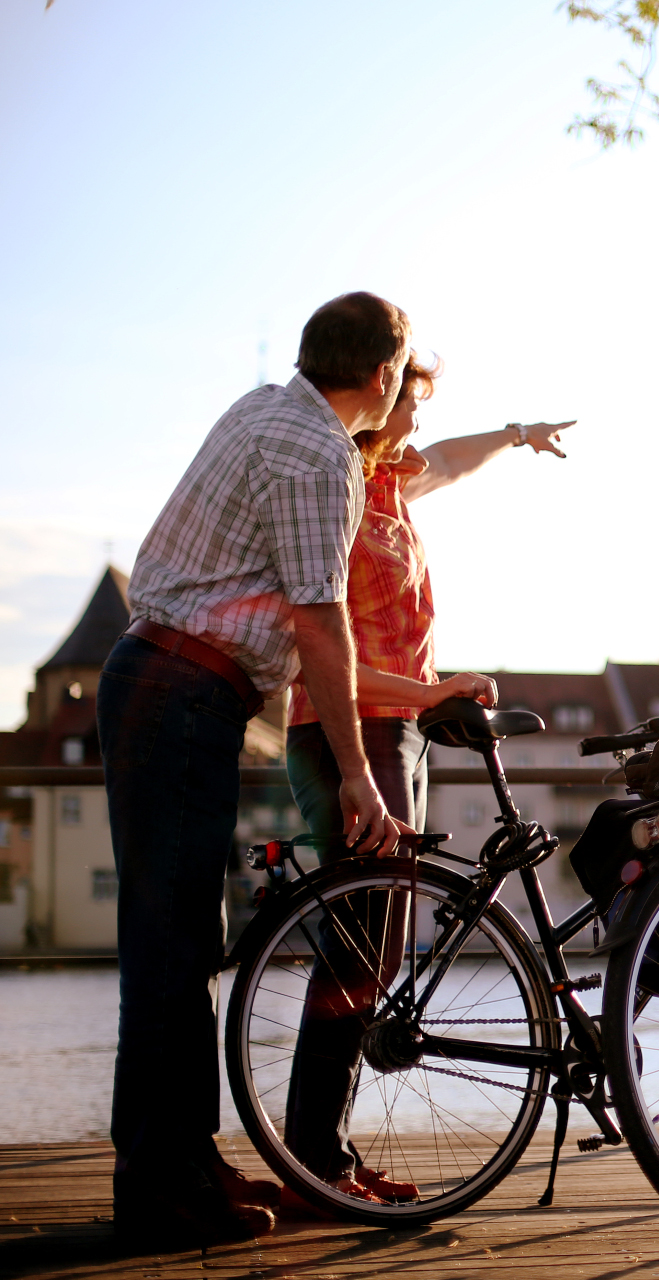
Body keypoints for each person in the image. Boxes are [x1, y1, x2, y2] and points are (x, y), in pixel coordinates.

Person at [99, 292, 412, 1247]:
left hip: (166, 679)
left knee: (183, 936)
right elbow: (320, 620)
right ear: (381, 373)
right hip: (182, 688)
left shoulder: (261, 408)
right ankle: (158, 1186)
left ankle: (182, 1162)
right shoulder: (321, 451)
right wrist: (358, 773)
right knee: (170, 945)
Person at [278, 353, 574, 1208]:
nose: (416, 424)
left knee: (375, 942)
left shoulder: (396, 484)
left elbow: (451, 456)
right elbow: (319, 654)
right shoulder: (334, 490)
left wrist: (519, 437)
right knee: (359, 943)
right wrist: (428, 691)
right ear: (376, 402)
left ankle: (322, 1155)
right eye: (409, 404)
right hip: (345, 728)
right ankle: (314, 1165)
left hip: (395, 726)